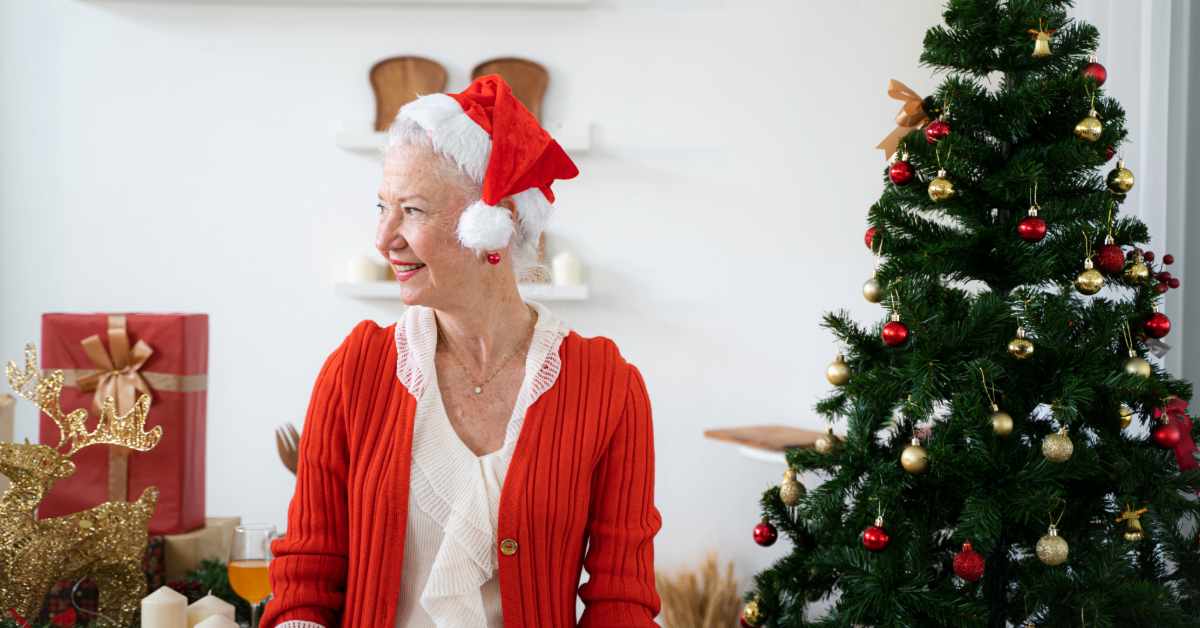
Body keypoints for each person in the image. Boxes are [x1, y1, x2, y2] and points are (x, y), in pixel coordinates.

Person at [262, 75, 662, 627]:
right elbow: (306, 580)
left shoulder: (607, 386)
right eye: (382, 206)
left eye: (414, 210)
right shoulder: (356, 371)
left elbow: (622, 601)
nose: (384, 238)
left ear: (498, 225)